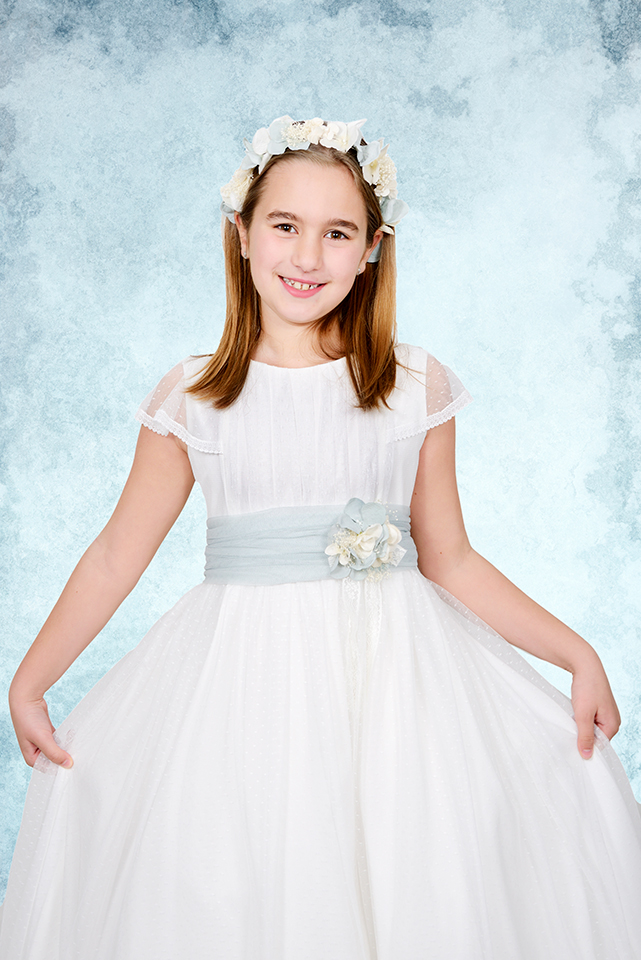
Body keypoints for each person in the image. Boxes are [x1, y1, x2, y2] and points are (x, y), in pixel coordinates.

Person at [2, 115, 640, 960]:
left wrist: (575, 653)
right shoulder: (193, 396)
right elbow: (118, 553)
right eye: (284, 226)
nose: (307, 256)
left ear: (372, 247)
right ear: (240, 233)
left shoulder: (413, 385)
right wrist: (31, 680)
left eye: (337, 233)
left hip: (399, 686)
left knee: (419, 865)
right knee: (243, 876)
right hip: (240, 685)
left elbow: (450, 558)